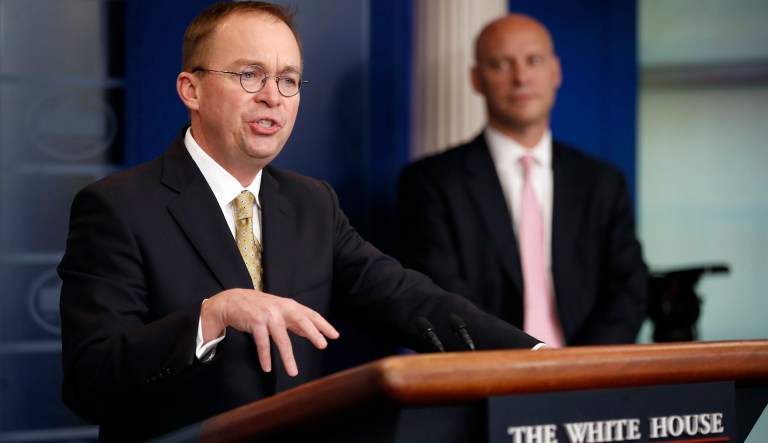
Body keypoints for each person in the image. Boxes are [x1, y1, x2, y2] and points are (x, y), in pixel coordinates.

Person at [57, 2, 541, 441]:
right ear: (192, 89)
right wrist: (211, 316)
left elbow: (408, 298)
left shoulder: (312, 203)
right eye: (250, 75)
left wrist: (538, 360)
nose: (273, 96)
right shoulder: (118, 207)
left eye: (288, 80)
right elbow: (89, 383)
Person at [394, 14, 648, 348]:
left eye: (534, 61)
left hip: (589, 370)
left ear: (555, 71)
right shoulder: (431, 182)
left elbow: (628, 287)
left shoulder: (603, 183)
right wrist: (521, 362)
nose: (521, 77)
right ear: (476, 79)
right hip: (486, 369)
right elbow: (441, 294)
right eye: (501, 64)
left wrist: (582, 367)